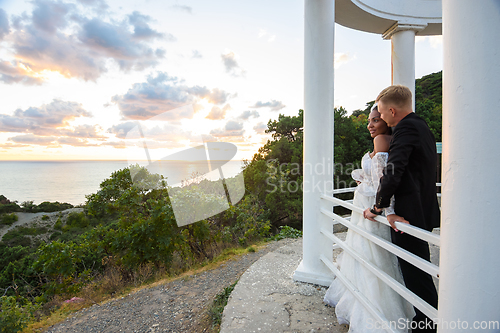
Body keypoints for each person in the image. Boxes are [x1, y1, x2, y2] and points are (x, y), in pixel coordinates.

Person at [324, 104, 415, 332]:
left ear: (386, 120)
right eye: (369, 121)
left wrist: (385, 209)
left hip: (368, 208)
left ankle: (373, 311)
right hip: (362, 206)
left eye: (376, 119)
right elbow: (376, 176)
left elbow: (385, 182)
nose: (370, 125)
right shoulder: (386, 141)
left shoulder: (382, 141)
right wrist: (362, 178)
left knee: (371, 254)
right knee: (365, 252)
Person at [364, 85, 440, 332]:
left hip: (408, 214)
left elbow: (393, 171)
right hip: (422, 209)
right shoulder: (421, 126)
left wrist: (378, 207)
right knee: (419, 268)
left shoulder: (405, 128)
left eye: (383, 113)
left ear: (392, 110)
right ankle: (425, 319)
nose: (382, 118)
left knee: (415, 272)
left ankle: (426, 324)